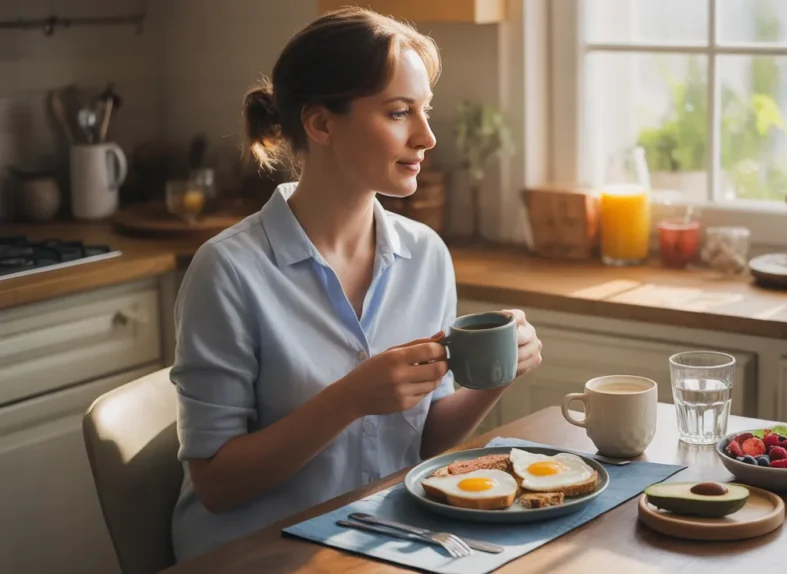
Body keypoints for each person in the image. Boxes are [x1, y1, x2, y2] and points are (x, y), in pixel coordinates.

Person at [168, 7, 543, 561]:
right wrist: (350, 399)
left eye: (425, 111)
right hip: (255, 555)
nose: (427, 136)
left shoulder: (425, 256)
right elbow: (217, 487)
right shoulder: (227, 272)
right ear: (321, 124)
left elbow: (420, 443)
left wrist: (495, 374)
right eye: (399, 113)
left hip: (382, 542)